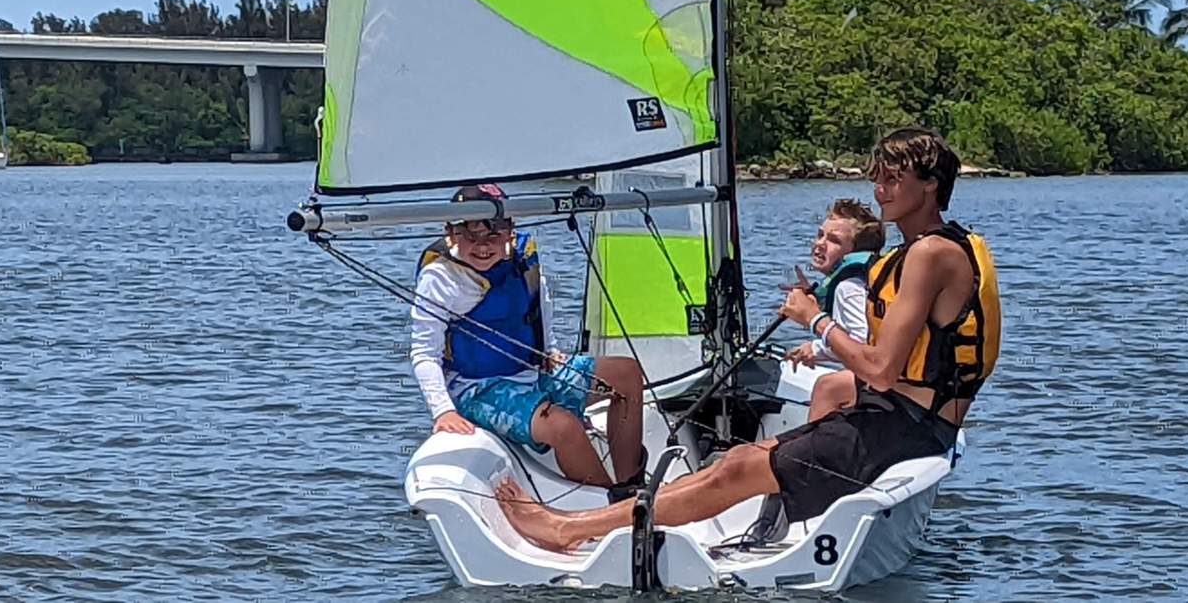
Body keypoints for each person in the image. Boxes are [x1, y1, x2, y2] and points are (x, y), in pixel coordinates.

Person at [495, 128, 1001, 552]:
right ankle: (607, 523)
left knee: (734, 473)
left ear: (931, 186)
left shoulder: (932, 254)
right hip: (895, 416)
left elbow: (883, 369)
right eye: (877, 178)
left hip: (907, 428)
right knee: (736, 461)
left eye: (894, 179)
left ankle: (565, 529)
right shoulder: (930, 247)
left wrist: (816, 320)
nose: (880, 190)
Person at [409, 184, 646, 492]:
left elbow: (538, 303)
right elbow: (424, 354)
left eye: (493, 234)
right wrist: (444, 411)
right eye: (470, 235)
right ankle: (611, 505)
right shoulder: (441, 277)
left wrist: (549, 351)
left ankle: (630, 485)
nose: (482, 246)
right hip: (476, 389)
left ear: (510, 231)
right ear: (450, 233)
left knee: (626, 374)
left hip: (530, 371)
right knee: (563, 425)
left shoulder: (523, 257)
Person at [783, 198, 885, 422]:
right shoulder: (859, 280)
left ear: (852, 253)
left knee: (826, 387)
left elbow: (862, 347)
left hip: (876, 381)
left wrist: (814, 333)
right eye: (820, 235)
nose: (820, 243)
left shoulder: (848, 288)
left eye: (834, 240)